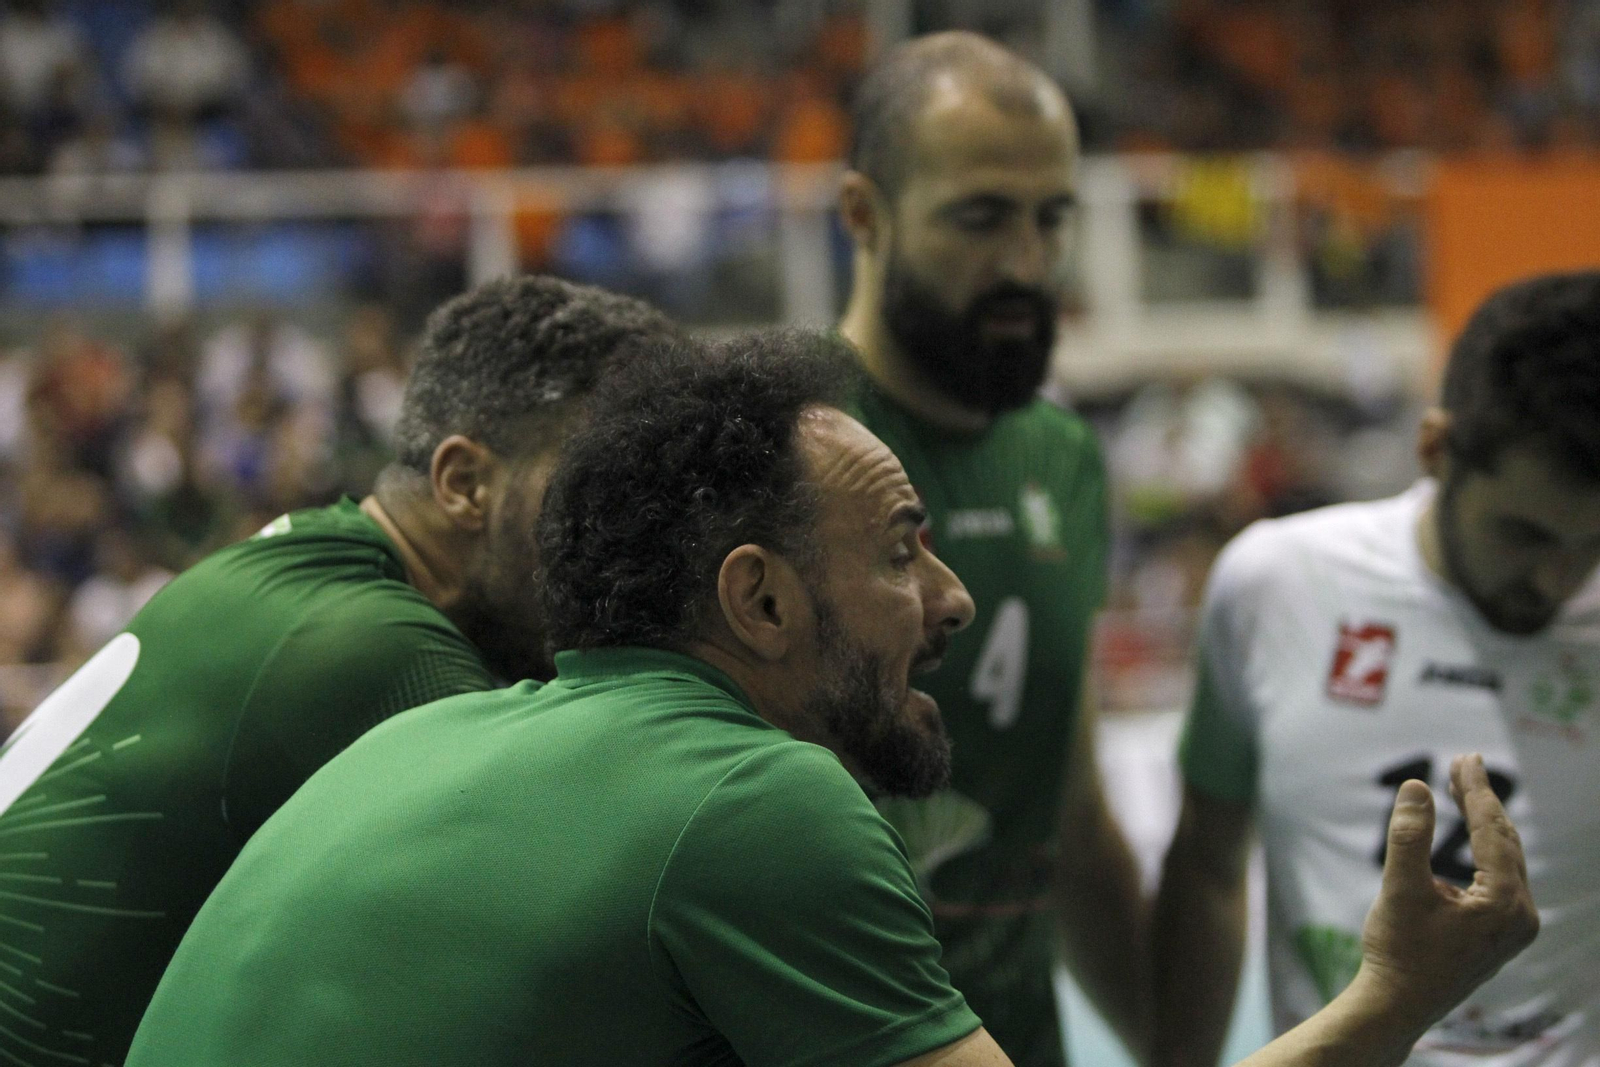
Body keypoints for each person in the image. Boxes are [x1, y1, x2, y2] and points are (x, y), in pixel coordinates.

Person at [125, 329, 1536, 1067]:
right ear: (760, 599)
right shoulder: (755, 796)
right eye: (905, 547)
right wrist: (1393, 997)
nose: (955, 599)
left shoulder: (437, 732)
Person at [0, 274, 679, 1067]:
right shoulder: (379, 656)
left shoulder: (311, 565)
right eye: (602, 492)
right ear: (464, 484)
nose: (635, 541)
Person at [1153, 271, 1600, 1067]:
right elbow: (1208, 866)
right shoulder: (1274, 584)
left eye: (1592, 546)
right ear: (1434, 449)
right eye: (1526, 534)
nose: (1556, 580)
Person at [838, 31, 1142, 1064]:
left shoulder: (1061, 458)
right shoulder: (768, 442)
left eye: (1050, 217)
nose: (1024, 262)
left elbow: (1076, 815)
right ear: (862, 216)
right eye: (979, 216)